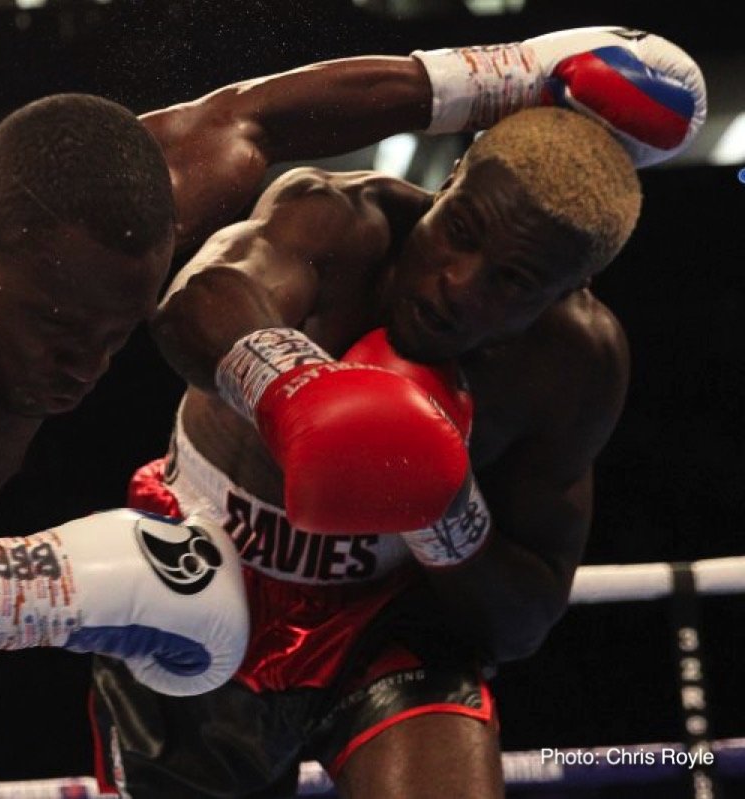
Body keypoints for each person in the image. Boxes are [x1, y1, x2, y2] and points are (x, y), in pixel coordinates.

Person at [0, 22, 701, 798]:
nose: (82, 371)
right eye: (58, 332)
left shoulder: (86, 237)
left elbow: (254, 122)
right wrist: (50, 585)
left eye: (113, 338)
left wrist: (513, 67)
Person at [89, 104, 666, 797]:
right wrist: (302, 394)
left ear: (567, 290)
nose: (459, 280)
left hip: (384, 621)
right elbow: (197, 301)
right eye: (460, 230)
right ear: (451, 179)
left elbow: (522, 617)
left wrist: (444, 513)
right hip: (200, 572)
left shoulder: (573, 363)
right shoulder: (336, 220)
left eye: (511, 281)